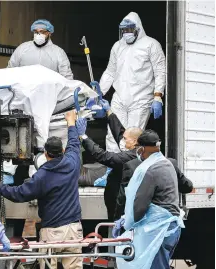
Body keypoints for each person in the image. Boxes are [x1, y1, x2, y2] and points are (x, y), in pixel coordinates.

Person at [0, 110, 83, 269]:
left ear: (45, 154)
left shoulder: (42, 176)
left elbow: (19, 194)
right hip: (74, 229)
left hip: (52, 232)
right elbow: (74, 143)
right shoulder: (73, 163)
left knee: (48, 265)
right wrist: (71, 122)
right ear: (63, 151)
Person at [115, 130, 184, 269]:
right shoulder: (167, 163)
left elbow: (139, 207)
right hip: (170, 227)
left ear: (142, 148)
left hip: (158, 230)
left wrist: (126, 223)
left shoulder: (149, 169)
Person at [99, 12, 166, 153]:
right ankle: (112, 170)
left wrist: (158, 96)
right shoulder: (117, 46)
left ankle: (129, 170)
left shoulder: (151, 45)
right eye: (124, 30)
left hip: (141, 99)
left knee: (133, 137)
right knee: (112, 134)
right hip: (119, 97)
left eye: (129, 30)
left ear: (138, 29)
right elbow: (110, 72)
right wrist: (98, 93)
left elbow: (160, 71)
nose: (126, 33)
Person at [76, 100, 141, 221]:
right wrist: (109, 113)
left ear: (134, 142)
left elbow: (103, 156)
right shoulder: (135, 147)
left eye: (126, 139)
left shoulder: (131, 157)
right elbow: (120, 133)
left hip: (121, 205)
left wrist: (83, 137)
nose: (123, 140)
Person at [8, 19, 73, 79]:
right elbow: (10, 70)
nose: (38, 35)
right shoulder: (22, 48)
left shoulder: (58, 52)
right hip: (24, 90)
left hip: (49, 91)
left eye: (42, 32)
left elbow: (66, 77)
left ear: (49, 33)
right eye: (36, 32)